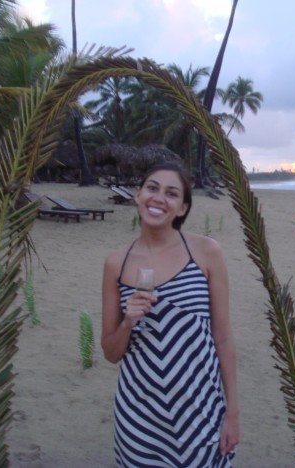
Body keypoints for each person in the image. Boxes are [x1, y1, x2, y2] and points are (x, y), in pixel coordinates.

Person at [101, 161, 239, 466]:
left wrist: (232, 412)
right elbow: (111, 352)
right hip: (139, 414)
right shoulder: (116, 264)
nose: (158, 198)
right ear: (137, 195)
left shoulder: (206, 252)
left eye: (171, 193)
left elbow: (223, 337)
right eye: (152, 188)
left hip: (201, 407)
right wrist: (127, 322)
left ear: (181, 208)